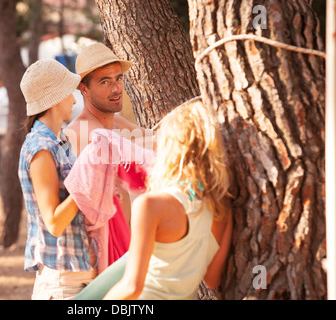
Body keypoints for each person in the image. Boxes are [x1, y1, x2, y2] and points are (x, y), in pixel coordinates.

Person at [102, 97, 233, 300]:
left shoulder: (150, 205)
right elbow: (212, 279)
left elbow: (132, 287)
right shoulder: (221, 210)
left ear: (170, 149)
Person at [64, 42, 154, 267]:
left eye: (118, 79)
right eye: (105, 82)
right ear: (83, 89)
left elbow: (153, 140)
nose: (116, 88)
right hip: (98, 251)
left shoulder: (115, 123)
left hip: (124, 242)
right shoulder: (80, 131)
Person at [18, 59, 97, 300]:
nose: (74, 100)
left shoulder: (58, 142)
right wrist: (87, 183)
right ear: (55, 97)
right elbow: (53, 222)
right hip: (63, 284)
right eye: (69, 93)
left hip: (79, 276)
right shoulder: (41, 148)